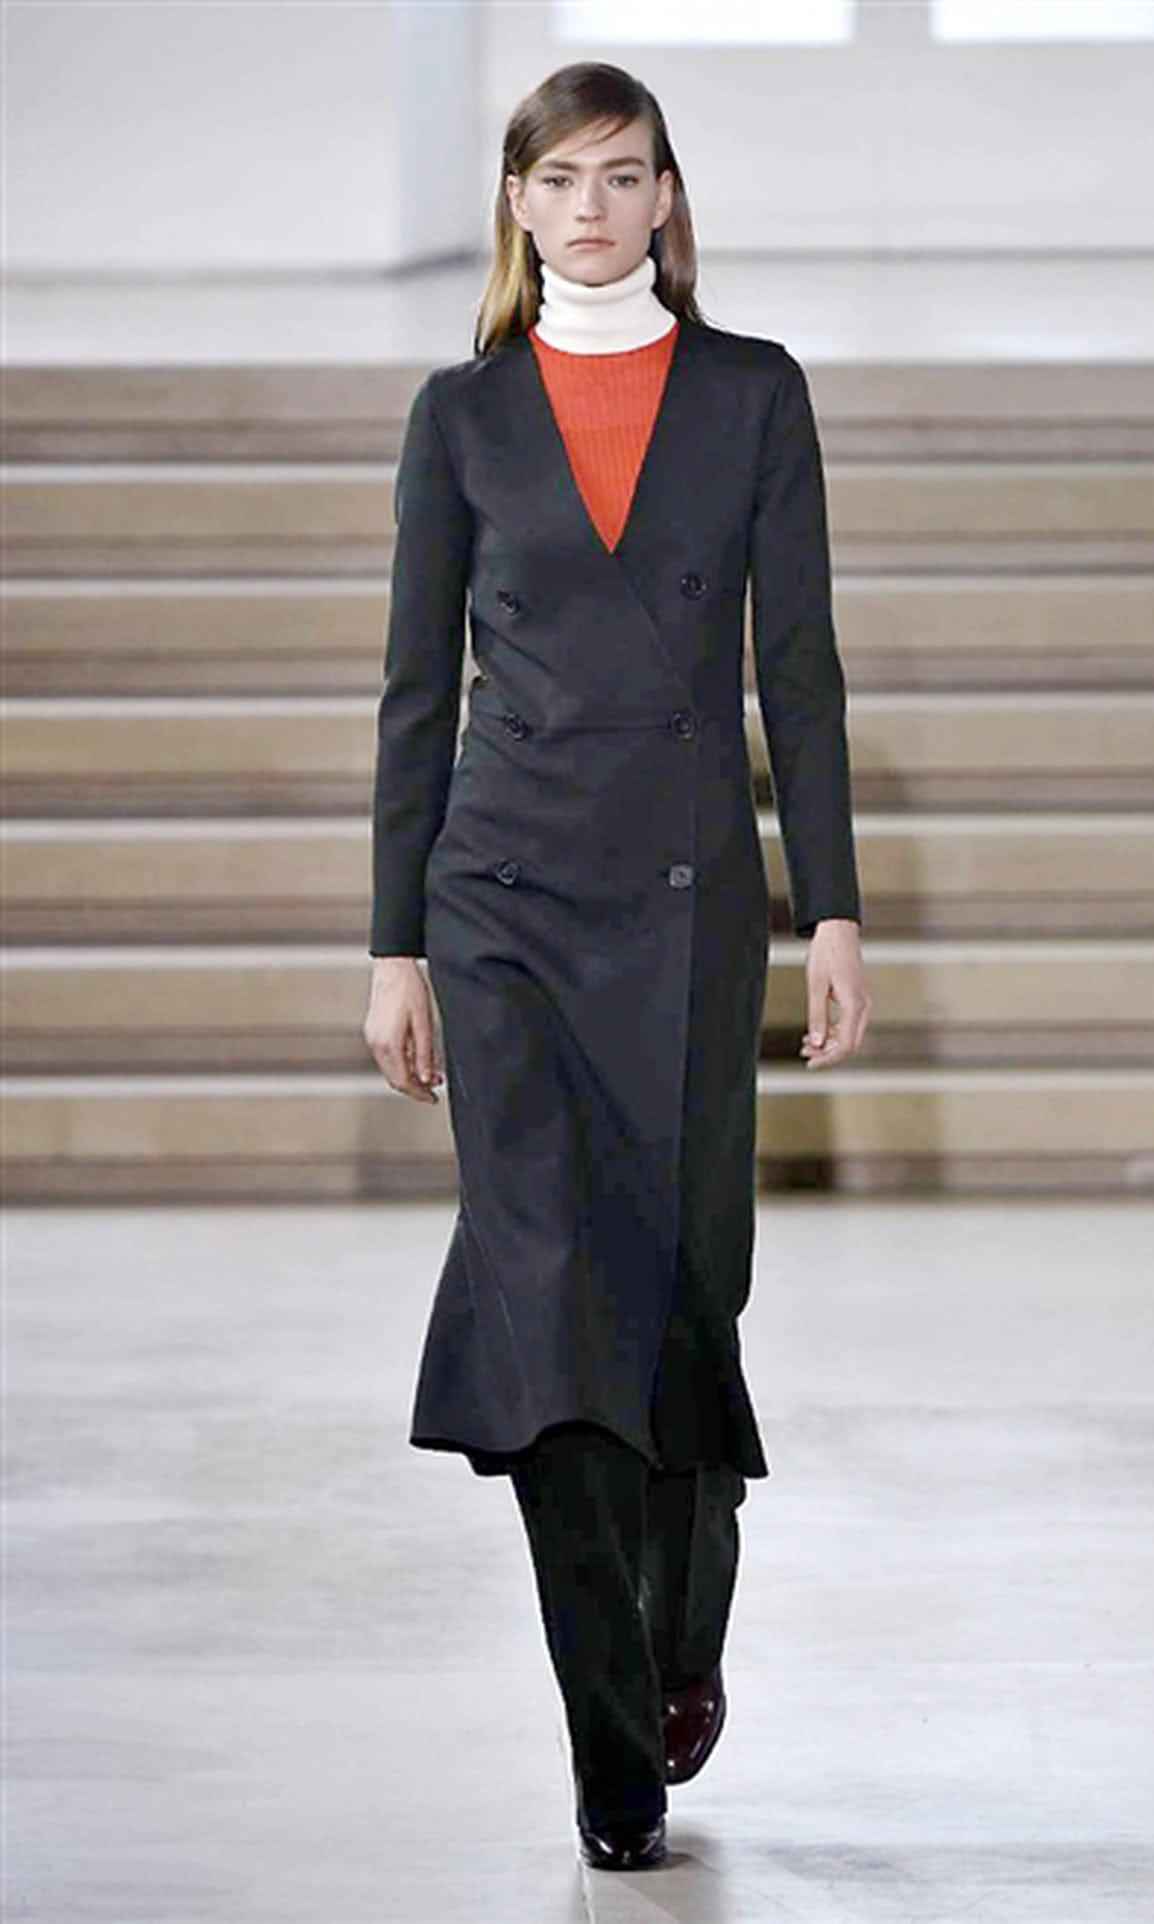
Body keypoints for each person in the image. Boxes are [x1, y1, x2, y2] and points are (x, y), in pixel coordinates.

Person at [362, 60, 871, 1873]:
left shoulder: (752, 394)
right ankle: (610, 1752)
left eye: (624, 174)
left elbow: (798, 669)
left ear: (667, 196)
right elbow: (416, 691)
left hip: (685, 903)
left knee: (680, 1290)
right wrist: (396, 943)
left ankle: (683, 1610)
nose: (592, 208)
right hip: (501, 905)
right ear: (518, 204)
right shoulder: (461, 416)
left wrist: (833, 908)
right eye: (561, 178)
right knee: (545, 1314)